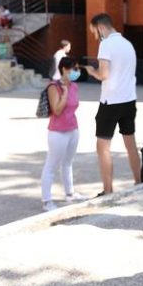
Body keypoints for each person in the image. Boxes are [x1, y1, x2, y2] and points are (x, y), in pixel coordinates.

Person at [83, 13, 141, 196]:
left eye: (94, 32)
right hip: (129, 100)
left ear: (100, 28)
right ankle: (139, 182)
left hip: (110, 101)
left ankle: (108, 190)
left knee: (103, 147)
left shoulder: (106, 44)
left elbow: (104, 74)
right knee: (130, 143)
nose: (95, 36)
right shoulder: (127, 44)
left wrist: (92, 71)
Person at [40, 57, 86, 211]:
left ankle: (70, 193)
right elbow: (57, 110)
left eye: (78, 69)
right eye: (74, 69)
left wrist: (68, 90)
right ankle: (47, 201)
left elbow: (74, 106)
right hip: (58, 132)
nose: (77, 72)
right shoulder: (54, 87)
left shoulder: (74, 86)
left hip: (73, 129)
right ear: (65, 69)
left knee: (68, 163)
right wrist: (64, 93)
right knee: (51, 165)